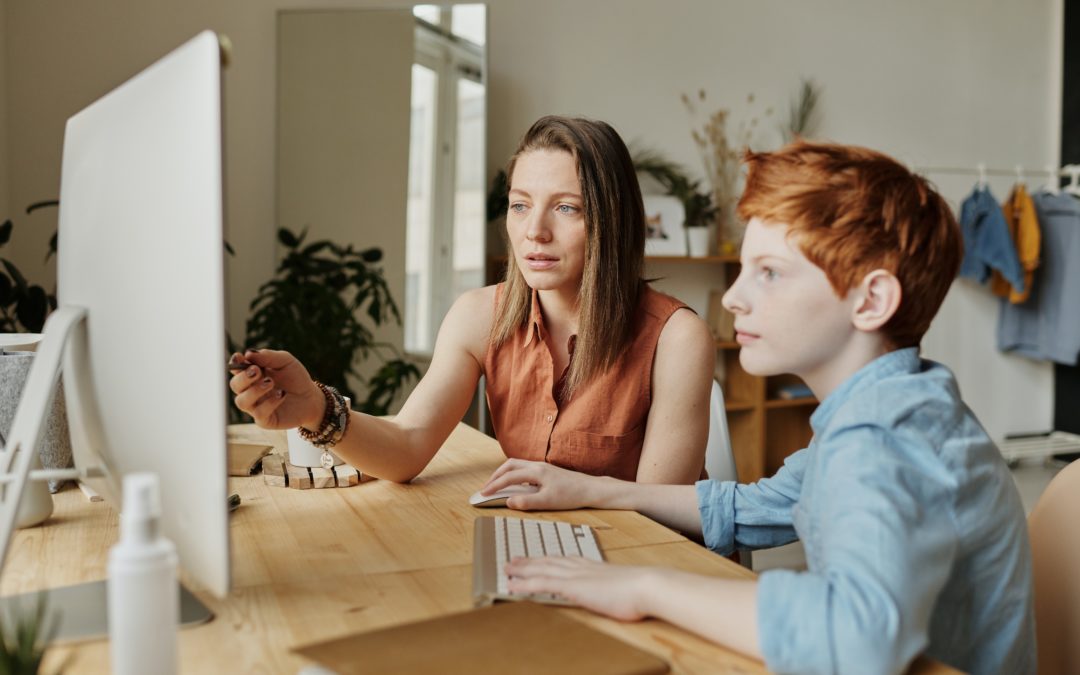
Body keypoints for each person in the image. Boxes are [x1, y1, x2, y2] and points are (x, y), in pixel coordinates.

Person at [482, 141, 1036, 674]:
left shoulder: (884, 437)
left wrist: (644, 587)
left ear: (871, 301)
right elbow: (755, 507)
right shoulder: (893, 405)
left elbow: (855, 639)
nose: (732, 298)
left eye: (768, 273)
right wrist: (593, 490)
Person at [230, 115, 714, 485]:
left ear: (613, 221)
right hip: (547, 547)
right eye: (520, 205)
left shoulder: (677, 338)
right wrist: (316, 408)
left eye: (567, 208)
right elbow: (407, 446)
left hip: (645, 563)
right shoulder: (480, 315)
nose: (534, 231)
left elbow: (660, 516)